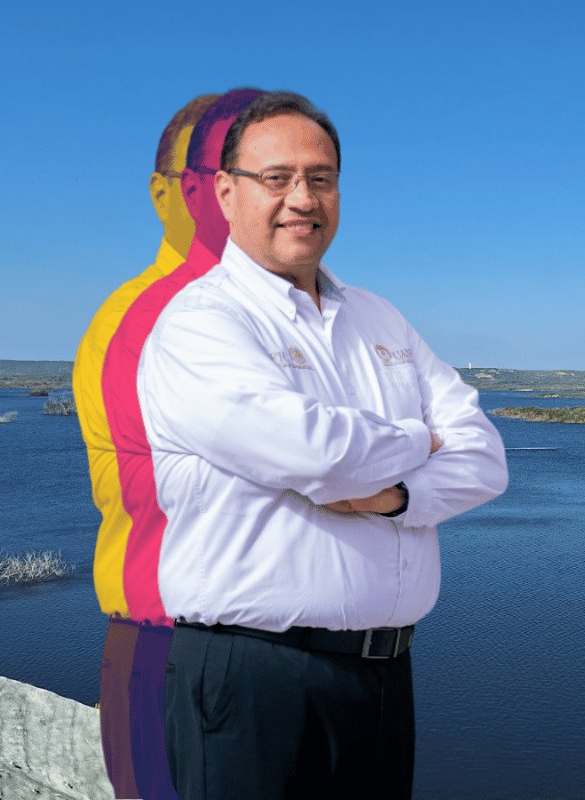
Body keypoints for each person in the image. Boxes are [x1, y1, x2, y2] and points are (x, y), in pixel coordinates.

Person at [138, 91, 508, 799]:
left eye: (322, 178)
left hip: (380, 679)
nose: (302, 198)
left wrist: (399, 496)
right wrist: (417, 438)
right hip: (253, 678)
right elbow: (311, 452)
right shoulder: (200, 324)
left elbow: (486, 458)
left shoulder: (379, 317)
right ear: (225, 193)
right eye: (276, 178)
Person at [73, 87, 263, 799]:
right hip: (174, 647)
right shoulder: (147, 320)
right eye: (216, 182)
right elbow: (187, 496)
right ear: (166, 194)